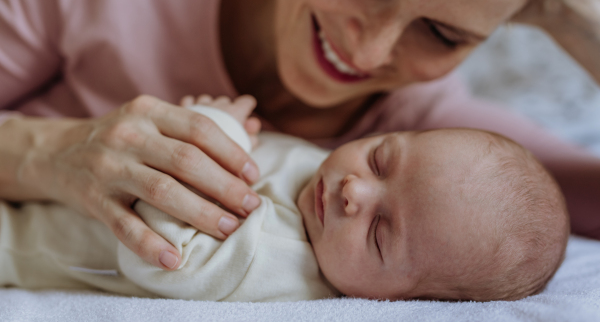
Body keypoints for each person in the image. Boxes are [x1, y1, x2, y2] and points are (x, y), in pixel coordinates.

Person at [0, 0, 597, 272]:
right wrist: (46, 152)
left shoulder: (425, 141)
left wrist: (580, 16)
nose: (368, 55)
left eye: (444, 34)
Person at [0, 95, 569, 302]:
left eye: (378, 232)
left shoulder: (282, 265)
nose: (354, 191)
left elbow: (161, 257)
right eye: (379, 160)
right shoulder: (315, 177)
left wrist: (212, 122)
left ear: (399, 301)